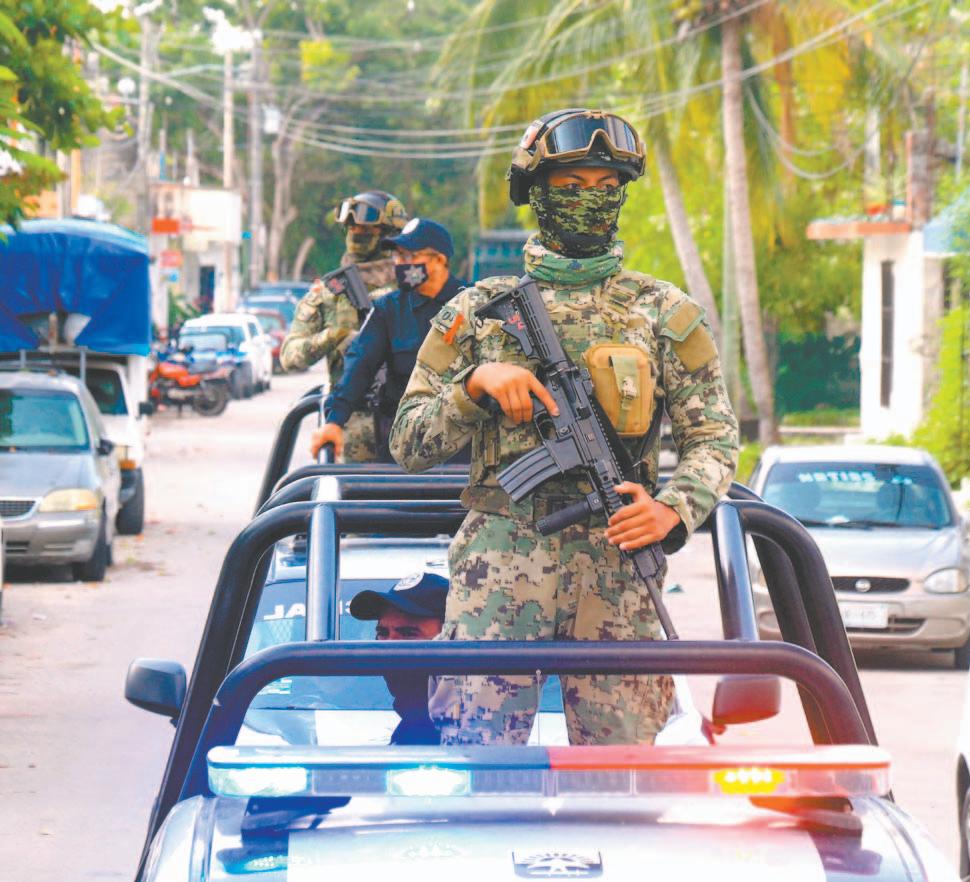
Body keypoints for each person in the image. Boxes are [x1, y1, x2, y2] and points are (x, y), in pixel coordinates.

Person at [389, 109, 739, 746]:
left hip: (618, 558)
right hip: (500, 557)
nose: (591, 200)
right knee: (475, 761)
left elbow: (713, 438)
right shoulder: (476, 312)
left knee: (623, 771)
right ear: (536, 193)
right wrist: (474, 387)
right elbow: (408, 443)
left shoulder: (664, 312)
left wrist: (673, 509)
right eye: (572, 186)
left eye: (607, 186)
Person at [309, 218, 466, 462]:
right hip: (406, 447)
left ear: (439, 259)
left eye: (408, 256)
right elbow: (359, 366)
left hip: (464, 448)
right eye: (397, 256)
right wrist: (334, 421)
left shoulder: (471, 304)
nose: (399, 264)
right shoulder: (388, 309)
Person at [281, 190, 407, 462]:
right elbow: (290, 357)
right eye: (351, 228)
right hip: (348, 430)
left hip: (409, 426)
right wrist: (333, 337)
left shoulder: (413, 287)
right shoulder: (329, 292)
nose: (356, 234)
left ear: (388, 233)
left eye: (365, 229)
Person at [349, 572, 447, 745]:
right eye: (383, 633)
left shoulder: (460, 724)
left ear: (448, 637)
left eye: (408, 633)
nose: (389, 647)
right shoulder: (414, 722)